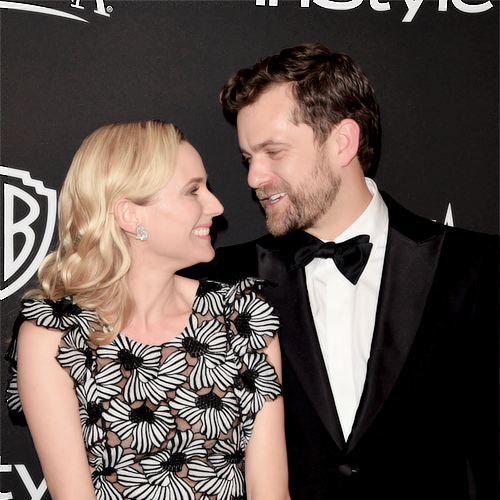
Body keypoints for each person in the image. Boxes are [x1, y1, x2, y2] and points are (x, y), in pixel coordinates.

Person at [197, 44, 498, 499]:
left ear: (343, 142)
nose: (254, 177)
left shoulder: (473, 268)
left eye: (273, 151)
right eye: (247, 159)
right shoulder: (224, 280)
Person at [5, 120, 290, 500]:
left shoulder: (243, 319)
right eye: (193, 191)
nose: (217, 206)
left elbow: (269, 492)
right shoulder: (54, 337)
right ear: (130, 215)